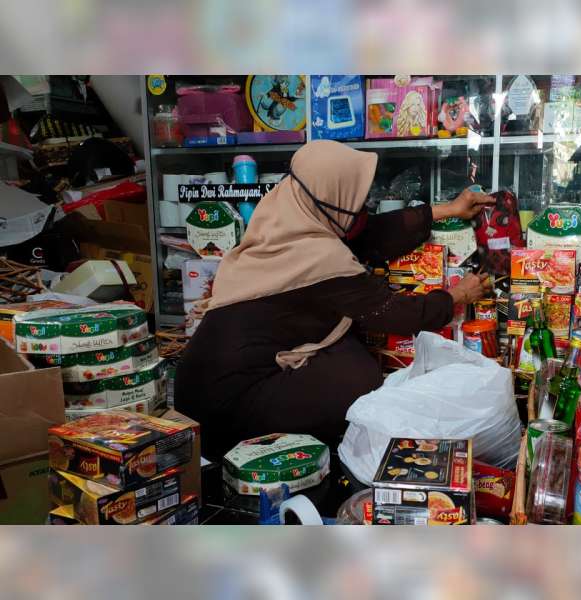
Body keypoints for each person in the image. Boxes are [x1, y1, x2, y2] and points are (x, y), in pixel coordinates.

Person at [175, 140, 494, 459]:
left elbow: (367, 235)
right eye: (355, 199)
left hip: (197, 385)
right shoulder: (319, 259)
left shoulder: (286, 211)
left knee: (347, 353)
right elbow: (395, 314)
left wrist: (449, 209)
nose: (363, 207)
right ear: (330, 195)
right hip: (222, 412)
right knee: (358, 376)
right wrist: (458, 294)